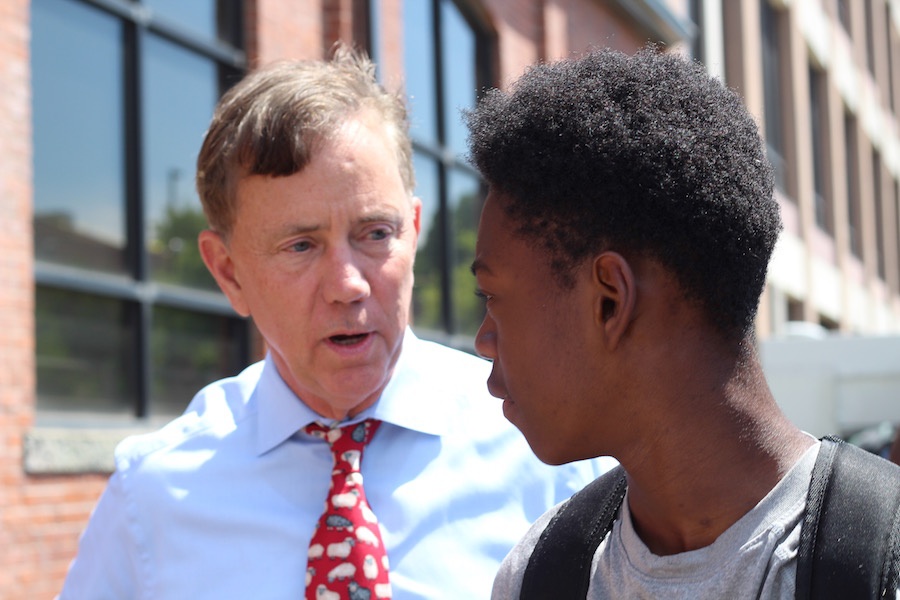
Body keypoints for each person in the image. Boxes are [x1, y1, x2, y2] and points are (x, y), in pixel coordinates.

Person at [59, 46, 610, 599]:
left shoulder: (551, 456)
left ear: (413, 231)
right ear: (228, 274)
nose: (349, 284)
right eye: (301, 245)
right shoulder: (152, 498)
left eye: (375, 234)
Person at [465, 46, 900, 598]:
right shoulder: (541, 573)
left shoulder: (880, 561)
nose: (483, 339)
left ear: (609, 301)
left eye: (492, 295)